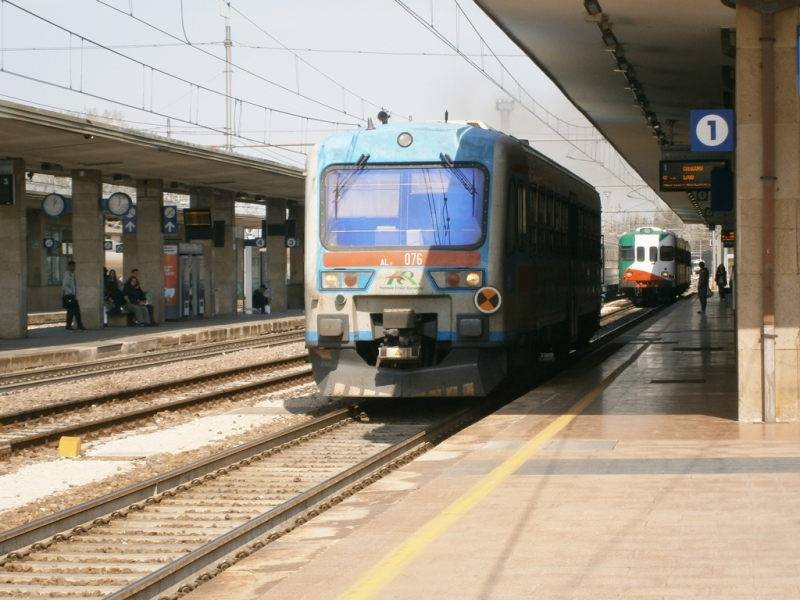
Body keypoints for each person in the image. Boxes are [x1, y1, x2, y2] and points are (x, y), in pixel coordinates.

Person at [62, 260, 86, 332]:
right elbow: (64, 286)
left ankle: (79, 325)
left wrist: (76, 295)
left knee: (77, 312)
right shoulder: (67, 274)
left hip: (74, 297)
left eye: (74, 266)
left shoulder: (74, 274)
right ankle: (68, 326)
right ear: (69, 266)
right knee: (71, 312)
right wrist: (71, 292)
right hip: (70, 296)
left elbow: (76, 286)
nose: (74, 268)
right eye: (72, 266)